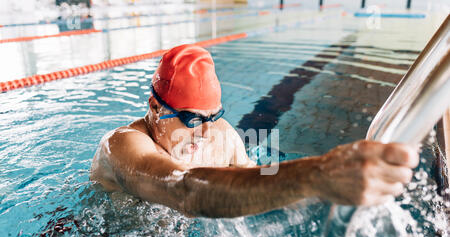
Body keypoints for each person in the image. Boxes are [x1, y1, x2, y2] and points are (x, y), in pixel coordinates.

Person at [90, 44, 419, 218]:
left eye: (214, 116)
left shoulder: (222, 136)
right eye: (192, 120)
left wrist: (336, 193)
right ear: (155, 108)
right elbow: (184, 191)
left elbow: (261, 183)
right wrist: (316, 174)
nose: (206, 133)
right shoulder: (123, 146)